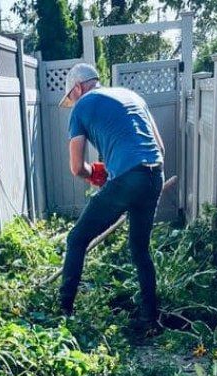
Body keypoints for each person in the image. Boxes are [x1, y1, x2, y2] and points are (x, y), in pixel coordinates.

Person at [59, 62, 165, 328]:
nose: (72, 102)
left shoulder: (82, 105)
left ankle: (64, 311)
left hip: (128, 178)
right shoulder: (133, 97)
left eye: (71, 96)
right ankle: (150, 319)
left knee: (76, 239)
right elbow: (159, 147)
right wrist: (115, 175)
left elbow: (76, 167)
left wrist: (96, 175)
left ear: (79, 87)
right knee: (140, 249)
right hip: (154, 175)